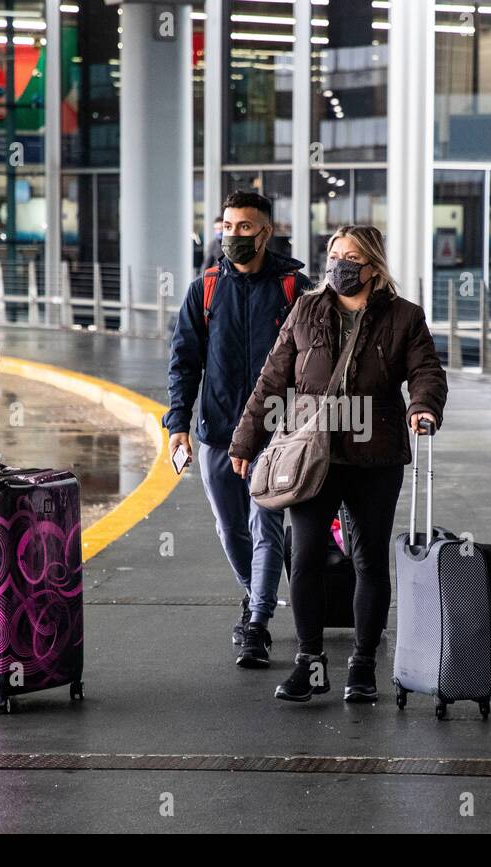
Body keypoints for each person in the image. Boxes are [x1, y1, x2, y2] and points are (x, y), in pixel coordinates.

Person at [230, 225, 447, 703]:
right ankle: (309, 661)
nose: (339, 265)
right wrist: (246, 440)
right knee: (303, 556)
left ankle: (363, 662)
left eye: (350, 257)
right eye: (333, 255)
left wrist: (423, 406)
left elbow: (425, 369)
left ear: (372, 265)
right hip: (313, 454)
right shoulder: (308, 309)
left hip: (375, 453)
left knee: (368, 558)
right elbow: (273, 377)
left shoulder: (404, 316)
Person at [165, 192, 310, 669]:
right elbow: (184, 362)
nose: (233, 235)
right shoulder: (203, 289)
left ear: (266, 232)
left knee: (265, 525)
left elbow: (315, 360)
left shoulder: (294, 288)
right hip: (216, 434)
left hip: (277, 435)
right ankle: (255, 596)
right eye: (227, 226)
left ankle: (258, 623)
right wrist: (178, 425)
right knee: (231, 530)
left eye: (245, 227)